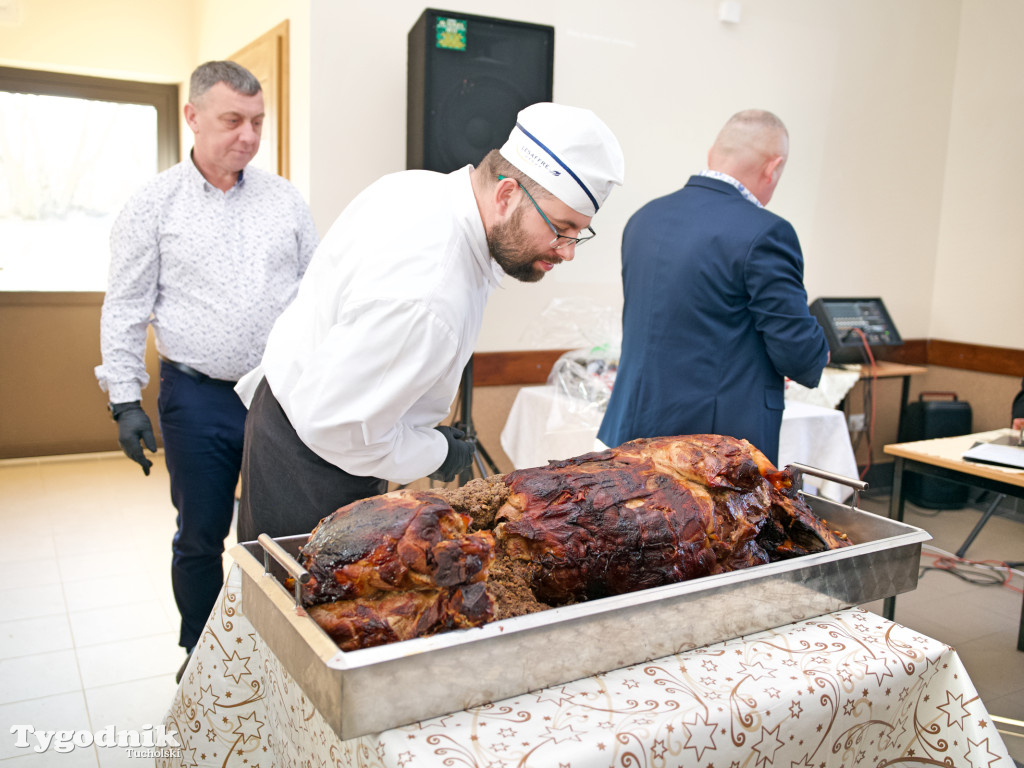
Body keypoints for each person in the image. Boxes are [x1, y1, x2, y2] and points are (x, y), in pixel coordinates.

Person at [234, 102, 625, 541]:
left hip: (284, 419)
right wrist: (437, 452)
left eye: (579, 234)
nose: (568, 250)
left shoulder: (417, 187)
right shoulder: (429, 295)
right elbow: (338, 429)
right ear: (506, 194)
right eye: (560, 227)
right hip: (312, 469)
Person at [94, 61, 319, 671]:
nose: (247, 136)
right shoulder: (153, 205)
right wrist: (123, 401)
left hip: (278, 396)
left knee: (278, 531)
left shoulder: (285, 200)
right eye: (232, 121)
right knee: (200, 535)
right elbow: (127, 306)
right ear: (192, 117)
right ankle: (201, 654)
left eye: (256, 122)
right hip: (196, 399)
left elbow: (317, 292)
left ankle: (277, 653)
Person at [598, 109, 828, 466]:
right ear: (773, 167)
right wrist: (820, 354)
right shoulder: (766, 232)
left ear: (712, 155)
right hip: (714, 448)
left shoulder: (645, 218)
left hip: (634, 429)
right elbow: (796, 351)